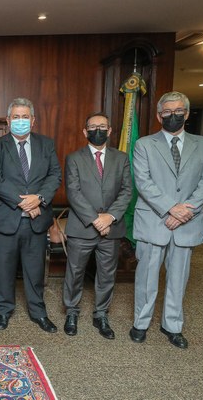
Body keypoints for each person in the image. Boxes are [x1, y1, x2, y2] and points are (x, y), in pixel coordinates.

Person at [130, 91, 203, 349]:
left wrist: (184, 211)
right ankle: (141, 323)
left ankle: (172, 325)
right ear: (159, 116)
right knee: (146, 277)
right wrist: (170, 209)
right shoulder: (144, 144)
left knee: (179, 278)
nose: (173, 116)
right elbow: (143, 182)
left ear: (186, 114)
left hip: (187, 221)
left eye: (178, 111)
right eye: (167, 112)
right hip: (154, 220)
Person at [0, 98, 61, 333]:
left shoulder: (46, 144)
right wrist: (25, 202)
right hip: (7, 219)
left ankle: (38, 312)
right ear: (8, 120)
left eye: (25, 117)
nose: (20, 121)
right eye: (16, 117)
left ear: (33, 120)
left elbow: (54, 176)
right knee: (4, 269)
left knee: (35, 270)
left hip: (37, 221)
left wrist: (39, 198)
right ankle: (4, 310)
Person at [62, 112, 132, 339]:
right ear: (85, 132)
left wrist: (109, 217)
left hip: (111, 228)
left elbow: (127, 191)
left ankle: (101, 314)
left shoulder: (121, 158)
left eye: (102, 126)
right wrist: (96, 220)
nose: (98, 130)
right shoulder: (74, 158)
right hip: (82, 227)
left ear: (109, 130)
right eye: (93, 127)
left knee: (107, 274)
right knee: (75, 272)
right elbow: (73, 192)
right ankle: (71, 312)